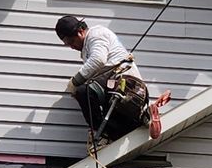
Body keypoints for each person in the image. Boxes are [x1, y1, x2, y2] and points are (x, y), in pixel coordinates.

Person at [57, 15, 153, 144]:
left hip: (128, 84)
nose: (71, 47)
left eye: (71, 42)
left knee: (83, 91)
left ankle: (104, 133)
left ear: (80, 31)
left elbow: (98, 60)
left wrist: (75, 82)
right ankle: (117, 131)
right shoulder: (87, 48)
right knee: (91, 96)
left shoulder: (96, 34)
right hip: (115, 85)